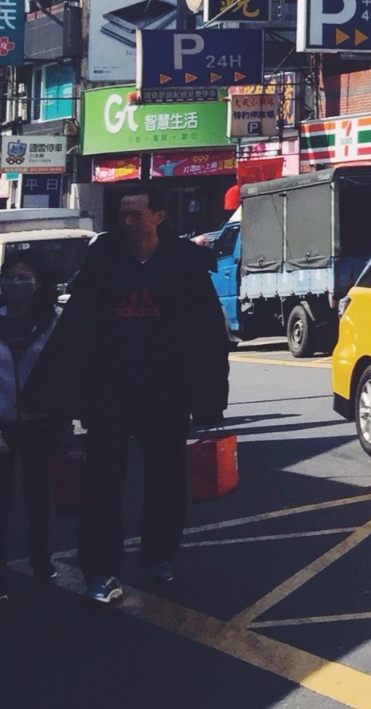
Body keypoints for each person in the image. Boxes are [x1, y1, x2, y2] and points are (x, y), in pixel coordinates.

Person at [23, 190, 230, 603]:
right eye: (122, 214)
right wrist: (63, 395)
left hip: (166, 393)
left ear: (159, 215)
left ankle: (159, 555)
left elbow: (208, 333)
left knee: (167, 478)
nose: (127, 221)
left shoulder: (183, 263)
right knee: (101, 482)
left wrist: (209, 397)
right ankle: (99, 570)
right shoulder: (104, 262)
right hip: (110, 393)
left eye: (136, 214)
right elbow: (77, 328)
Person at [0, 255, 61, 600]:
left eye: (23, 277)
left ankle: (42, 559)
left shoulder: (53, 322)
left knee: (38, 495)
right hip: (2, 423)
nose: (15, 284)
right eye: (9, 277)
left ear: (38, 283)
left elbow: (67, 369)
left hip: (42, 423)